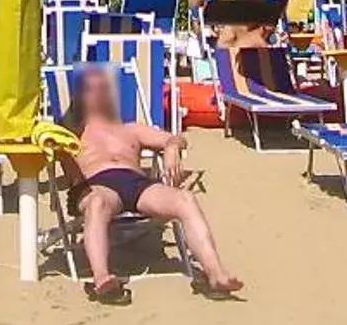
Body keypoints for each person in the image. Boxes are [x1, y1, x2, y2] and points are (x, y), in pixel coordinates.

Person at [67, 65, 240, 304]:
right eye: (92, 91)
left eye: (104, 91)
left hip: (137, 184)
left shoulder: (131, 129)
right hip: (96, 186)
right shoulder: (70, 133)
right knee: (97, 203)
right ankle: (102, 278)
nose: (99, 96)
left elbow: (175, 137)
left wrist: (172, 147)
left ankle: (215, 274)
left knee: (185, 199)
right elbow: (42, 143)